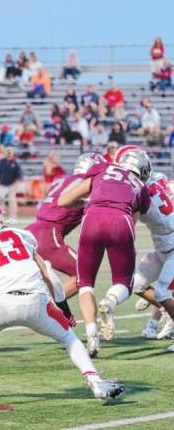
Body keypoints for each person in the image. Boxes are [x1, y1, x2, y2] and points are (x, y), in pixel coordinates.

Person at [0, 194, 125, 402]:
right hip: (36, 302)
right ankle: (95, 382)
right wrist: (65, 311)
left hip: (0, 305)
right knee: (69, 338)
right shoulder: (22, 236)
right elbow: (49, 275)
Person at [58, 148, 151, 357]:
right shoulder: (142, 188)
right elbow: (133, 225)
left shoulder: (102, 168)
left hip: (92, 217)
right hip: (121, 220)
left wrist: (92, 204)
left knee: (85, 284)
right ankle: (109, 301)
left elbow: (63, 200)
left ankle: (91, 334)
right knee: (123, 282)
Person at [26, 153, 104, 327]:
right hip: (49, 233)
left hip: (31, 229)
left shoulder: (62, 179)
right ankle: (51, 308)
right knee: (83, 275)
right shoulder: (88, 183)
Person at [120, 171, 174, 351]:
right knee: (137, 284)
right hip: (162, 247)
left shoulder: (141, 190)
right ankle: (166, 312)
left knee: (163, 292)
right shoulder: (157, 184)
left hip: (172, 246)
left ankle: (163, 313)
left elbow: (130, 223)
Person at [0, 148, 23, 222]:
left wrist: (15, 185)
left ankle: (13, 217)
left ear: (13, 153)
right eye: (8, 152)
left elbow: (19, 176)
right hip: (2, 184)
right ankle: (0, 217)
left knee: (12, 200)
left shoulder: (16, 163)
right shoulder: (1, 162)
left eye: (10, 152)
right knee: (0, 201)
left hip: (12, 185)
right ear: (5, 153)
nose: (9, 154)